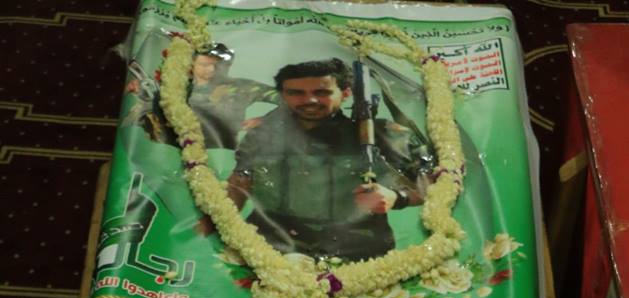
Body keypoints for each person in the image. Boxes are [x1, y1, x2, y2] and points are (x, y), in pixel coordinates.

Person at [226, 58, 426, 260]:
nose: (310, 100)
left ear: (345, 93)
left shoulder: (380, 134)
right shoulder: (262, 135)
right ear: (283, 95)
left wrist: (397, 197)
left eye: (321, 92)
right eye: (296, 93)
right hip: (271, 247)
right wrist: (219, 225)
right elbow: (239, 184)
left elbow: (436, 186)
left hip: (355, 251)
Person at [123, 44, 277, 149]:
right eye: (205, 65)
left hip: (222, 154)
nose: (212, 70)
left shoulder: (241, 87)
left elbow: (286, 98)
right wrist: (136, 91)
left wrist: (266, 120)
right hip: (170, 151)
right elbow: (143, 111)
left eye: (218, 65)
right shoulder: (174, 87)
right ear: (192, 65)